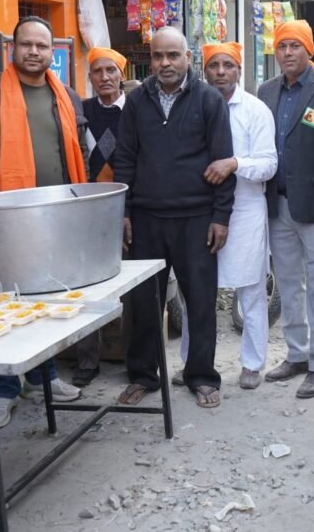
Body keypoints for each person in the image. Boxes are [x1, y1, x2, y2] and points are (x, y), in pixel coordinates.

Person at [0, 16, 86, 426]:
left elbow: (78, 154)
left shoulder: (67, 96)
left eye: (41, 45)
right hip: (4, 218)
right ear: (12, 48)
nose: (34, 52)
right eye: (26, 44)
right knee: (3, 303)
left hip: (54, 218)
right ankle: (4, 388)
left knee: (46, 301)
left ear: (52, 52)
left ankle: (43, 377)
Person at [114, 26, 234, 409]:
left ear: (188, 58)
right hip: (146, 219)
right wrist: (124, 211)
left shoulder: (209, 100)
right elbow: (125, 159)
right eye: (158, 56)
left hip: (196, 219)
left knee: (200, 300)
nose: (165, 63)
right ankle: (143, 375)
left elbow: (222, 161)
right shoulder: (137, 101)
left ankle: (202, 376)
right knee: (143, 303)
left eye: (173, 55)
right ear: (150, 60)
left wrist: (220, 216)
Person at [256, 20, 314, 399]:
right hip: (276, 205)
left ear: (308, 49)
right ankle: (296, 355)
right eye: (282, 46)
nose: (288, 52)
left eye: (295, 45)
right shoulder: (266, 91)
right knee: (289, 284)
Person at [192, 41, 278, 389]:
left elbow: (269, 164)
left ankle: (252, 365)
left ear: (239, 70)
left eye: (228, 65)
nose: (221, 72)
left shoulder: (255, 110)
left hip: (245, 212)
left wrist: (235, 164)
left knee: (251, 291)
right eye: (214, 66)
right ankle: (194, 363)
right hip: (200, 211)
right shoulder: (193, 106)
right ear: (204, 71)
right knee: (197, 291)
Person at [73, 47, 129, 387]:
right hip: (88, 209)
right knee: (87, 285)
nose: (105, 77)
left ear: (122, 74)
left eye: (111, 70)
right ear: (90, 76)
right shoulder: (81, 111)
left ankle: (135, 360)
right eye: (97, 71)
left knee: (132, 284)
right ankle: (87, 360)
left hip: (127, 208)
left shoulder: (135, 110)